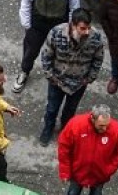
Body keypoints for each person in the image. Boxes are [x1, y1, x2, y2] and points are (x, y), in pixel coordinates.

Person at [37, 9, 108, 143]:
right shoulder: (56, 33)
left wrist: (90, 78)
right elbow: (46, 55)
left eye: (88, 27)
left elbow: (98, 59)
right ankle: (48, 129)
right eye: (82, 28)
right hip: (57, 81)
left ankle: (66, 131)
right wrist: (50, 75)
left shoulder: (96, 37)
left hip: (79, 83)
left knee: (70, 110)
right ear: (73, 25)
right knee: (52, 108)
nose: (86, 31)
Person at [59, 105, 118, 195]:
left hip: (100, 174)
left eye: (107, 125)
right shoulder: (75, 125)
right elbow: (64, 148)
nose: (105, 128)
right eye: (101, 125)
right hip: (77, 172)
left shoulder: (116, 129)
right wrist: (65, 171)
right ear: (92, 118)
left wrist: (109, 169)